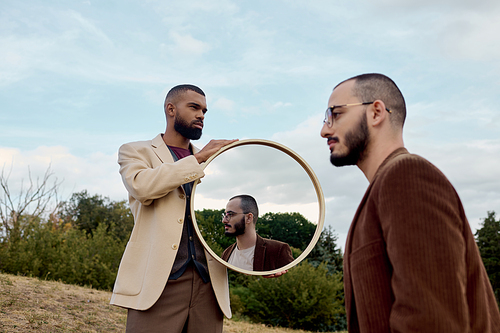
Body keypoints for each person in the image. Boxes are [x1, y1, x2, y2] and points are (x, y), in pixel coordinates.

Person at [320, 73, 500, 332]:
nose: (325, 129)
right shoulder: (385, 186)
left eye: (335, 114)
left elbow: (432, 321)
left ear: (376, 112)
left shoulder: (406, 175)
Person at [110, 84, 237, 333]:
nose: (201, 115)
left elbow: (233, 215)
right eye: (194, 107)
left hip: (208, 285)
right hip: (158, 283)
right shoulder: (135, 151)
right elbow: (143, 188)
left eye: (205, 111)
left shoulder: (216, 160)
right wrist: (197, 160)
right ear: (171, 109)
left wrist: (258, 263)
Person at [220, 195, 294, 272]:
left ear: (249, 218)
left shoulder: (278, 250)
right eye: (225, 215)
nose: (224, 220)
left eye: (230, 214)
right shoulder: (226, 254)